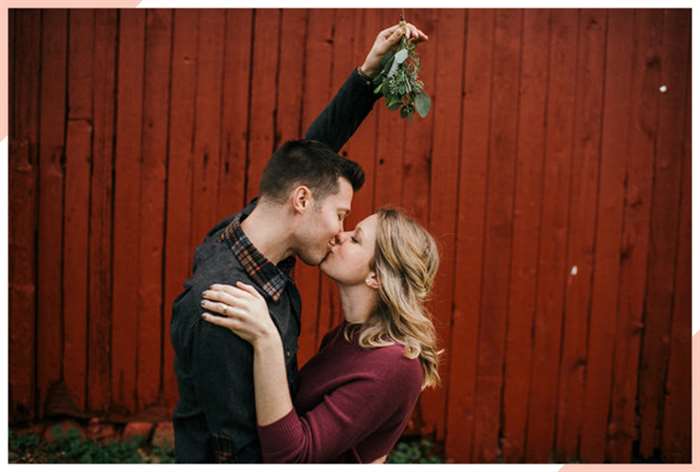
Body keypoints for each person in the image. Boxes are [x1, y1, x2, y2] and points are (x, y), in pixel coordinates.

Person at [170, 22, 429, 463]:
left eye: (353, 232)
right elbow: (239, 452)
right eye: (343, 217)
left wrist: (369, 75)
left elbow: (306, 163)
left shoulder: (257, 241)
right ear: (302, 201)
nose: (339, 233)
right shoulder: (224, 306)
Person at [200, 208, 441, 463]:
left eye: (355, 239)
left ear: (376, 277)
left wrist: (266, 340)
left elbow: (294, 459)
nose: (339, 235)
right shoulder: (351, 336)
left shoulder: (396, 365)